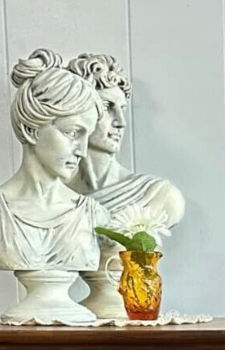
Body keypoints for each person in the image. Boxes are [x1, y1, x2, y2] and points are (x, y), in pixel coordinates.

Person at [0, 50, 109, 323]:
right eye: (73, 133)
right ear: (31, 129)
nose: (83, 150)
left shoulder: (94, 214)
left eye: (87, 136)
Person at [67, 53, 185, 316]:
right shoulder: (56, 197)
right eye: (108, 107)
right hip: (81, 316)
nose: (121, 121)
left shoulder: (159, 196)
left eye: (122, 109)